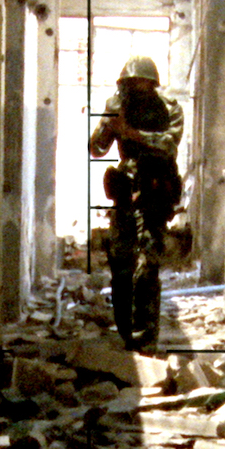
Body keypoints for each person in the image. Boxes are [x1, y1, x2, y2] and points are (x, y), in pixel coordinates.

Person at [89, 55, 185, 349]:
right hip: (126, 188)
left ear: (152, 84)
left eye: (141, 83)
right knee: (120, 262)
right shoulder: (117, 105)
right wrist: (107, 125)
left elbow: (168, 144)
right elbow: (96, 148)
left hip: (155, 187)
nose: (135, 88)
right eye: (130, 84)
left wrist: (131, 133)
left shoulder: (169, 108)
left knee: (148, 261)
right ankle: (125, 332)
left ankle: (147, 334)